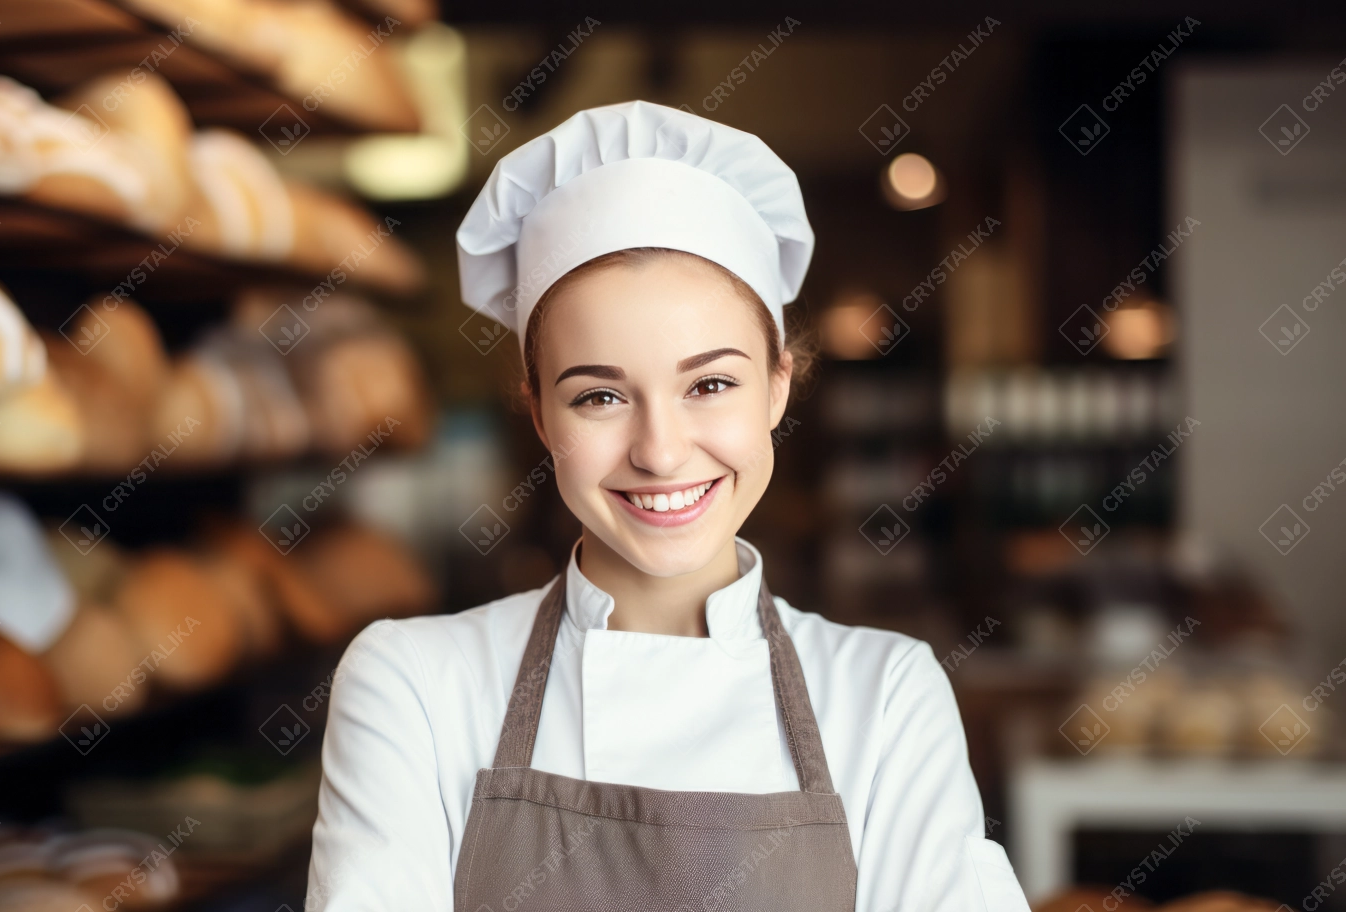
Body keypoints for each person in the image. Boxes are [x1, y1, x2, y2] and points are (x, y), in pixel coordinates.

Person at [306, 100, 1032, 912]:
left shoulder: (886, 697)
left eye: (710, 384)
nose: (659, 450)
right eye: (600, 396)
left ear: (778, 388)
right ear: (540, 412)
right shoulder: (415, 687)